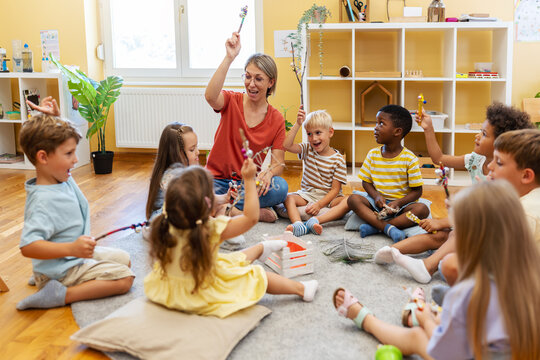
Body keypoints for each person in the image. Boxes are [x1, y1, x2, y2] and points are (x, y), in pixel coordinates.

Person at [333, 180, 540, 360]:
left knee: (417, 338)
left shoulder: (469, 290)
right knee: (450, 320)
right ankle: (422, 314)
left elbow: (444, 351)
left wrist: (426, 320)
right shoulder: (528, 278)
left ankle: (366, 319)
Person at [143, 160, 318, 318]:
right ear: (208, 203)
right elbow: (251, 217)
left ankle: (261, 248)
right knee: (256, 274)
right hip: (200, 291)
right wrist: (249, 180)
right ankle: (302, 289)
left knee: (225, 260)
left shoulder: (165, 219)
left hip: (171, 288)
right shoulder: (210, 228)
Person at [387, 104, 534, 283]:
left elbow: (482, 217)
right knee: (442, 236)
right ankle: (391, 251)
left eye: (485, 134)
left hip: (483, 233)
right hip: (473, 226)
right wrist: (429, 128)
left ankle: (427, 266)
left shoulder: (511, 181)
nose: (477, 136)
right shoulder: (475, 160)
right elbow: (439, 159)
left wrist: (442, 221)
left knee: (452, 236)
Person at [16, 113, 134, 310]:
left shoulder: (59, 177)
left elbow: (54, 141)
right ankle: (57, 292)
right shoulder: (42, 201)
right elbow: (28, 246)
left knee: (125, 260)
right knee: (125, 278)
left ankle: (43, 273)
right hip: (65, 267)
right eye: (69, 154)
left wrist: (54, 117)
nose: (76, 159)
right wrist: (72, 249)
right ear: (43, 157)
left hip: (70, 258)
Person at [434, 128, 540, 287]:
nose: (490, 166)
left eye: (499, 162)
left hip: (523, 290)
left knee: (449, 265)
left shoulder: (524, 214)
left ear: (526, 176)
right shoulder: (522, 198)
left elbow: (491, 256)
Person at [204, 31, 288, 223]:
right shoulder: (231, 100)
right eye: (248, 77)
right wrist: (229, 57)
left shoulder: (276, 119)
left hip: (246, 185)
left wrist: (269, 173)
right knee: (193, 193)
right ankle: (247, 213)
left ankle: (224, 209)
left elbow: (279, 163)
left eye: (258, 79)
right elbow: (210, 97)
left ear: (270, 82)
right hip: (216, 181)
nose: (251, 84)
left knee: (280, 187)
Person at [315, 105, 428, 242]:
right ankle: (387, 228)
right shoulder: (373, 154)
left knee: (422, 209)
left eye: (381, 123)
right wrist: (375, 196)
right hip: (377, 204)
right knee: (353, 199)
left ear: (397, 131)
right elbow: (366, 182)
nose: (375, 127)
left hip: (401, 206)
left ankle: (378, 227)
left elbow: (417, 191)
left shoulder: (410, 159)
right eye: (376, 123)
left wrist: (398, 202)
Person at [282, 108, 347, 236]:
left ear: (330, 132)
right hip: (308, 195)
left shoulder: (338, 160)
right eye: (309, 134)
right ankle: (298, 225)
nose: (313, 138)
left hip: (331, 198)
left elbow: (335, 190)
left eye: (318, 133)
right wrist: (298, 124)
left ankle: (316, 220)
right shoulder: (307, 149)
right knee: (288, 198)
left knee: (349, 201)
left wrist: (319, 205)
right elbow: (287, 146)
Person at [146, 122, 200, 221]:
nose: (198, 152)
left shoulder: (184, 172)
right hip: (163, 219)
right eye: (192, 150)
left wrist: (224, 198)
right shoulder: (173, 176)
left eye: (197, 147)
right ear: (177, 153)